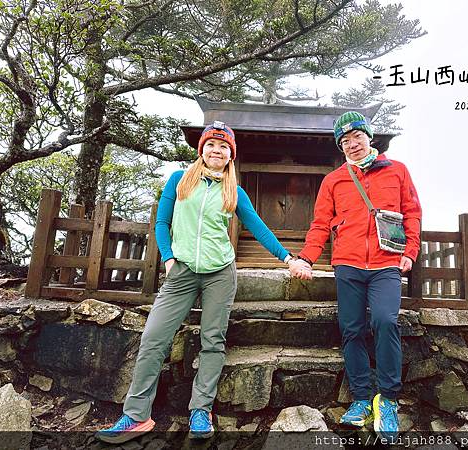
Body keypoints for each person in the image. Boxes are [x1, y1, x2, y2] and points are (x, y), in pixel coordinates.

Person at [96, 121, 309, 444]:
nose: (216, 151)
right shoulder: (180, 181)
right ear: (202, 149)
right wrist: (168, 258)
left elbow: (260, 228)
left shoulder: (233, 192)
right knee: (154, 338)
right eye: (211, 145)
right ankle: (137, 415)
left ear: (230, 155)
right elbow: (162, 222)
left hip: (220, 273)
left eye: (223, 147)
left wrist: (288, 259)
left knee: (213, 340)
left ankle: (201, 410)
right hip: (181, 272)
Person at [289, 111, 421, 439]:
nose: (352, 144)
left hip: (386, 263)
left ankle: (388, 399)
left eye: (357, 137)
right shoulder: (333, 180)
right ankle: (362, 398)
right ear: (340, 147)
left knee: (385, 321)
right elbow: (320, 224)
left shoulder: (397, 171)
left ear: (369, 137)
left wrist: (410, 251)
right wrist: (306, 257)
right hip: (347, 264)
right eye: (344, 141)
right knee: (351, 330)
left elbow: (412, 212)